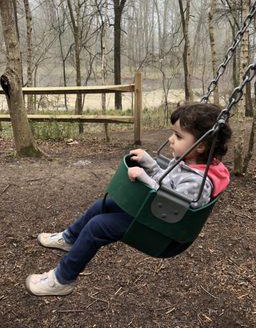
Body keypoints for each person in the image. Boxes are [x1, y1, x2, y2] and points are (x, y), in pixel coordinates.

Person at [25, 103, 232, 296]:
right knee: (102, 205)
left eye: (178, 136)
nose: (170, 139)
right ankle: (69, 239)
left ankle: (62, 280)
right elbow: (167, 183)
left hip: (165, 233)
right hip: (155, 217)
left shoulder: (198, 181)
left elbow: (173, 205)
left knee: (99, 226)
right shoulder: (188, 161)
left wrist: (143, 177)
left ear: (201, 146)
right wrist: (150, 164)